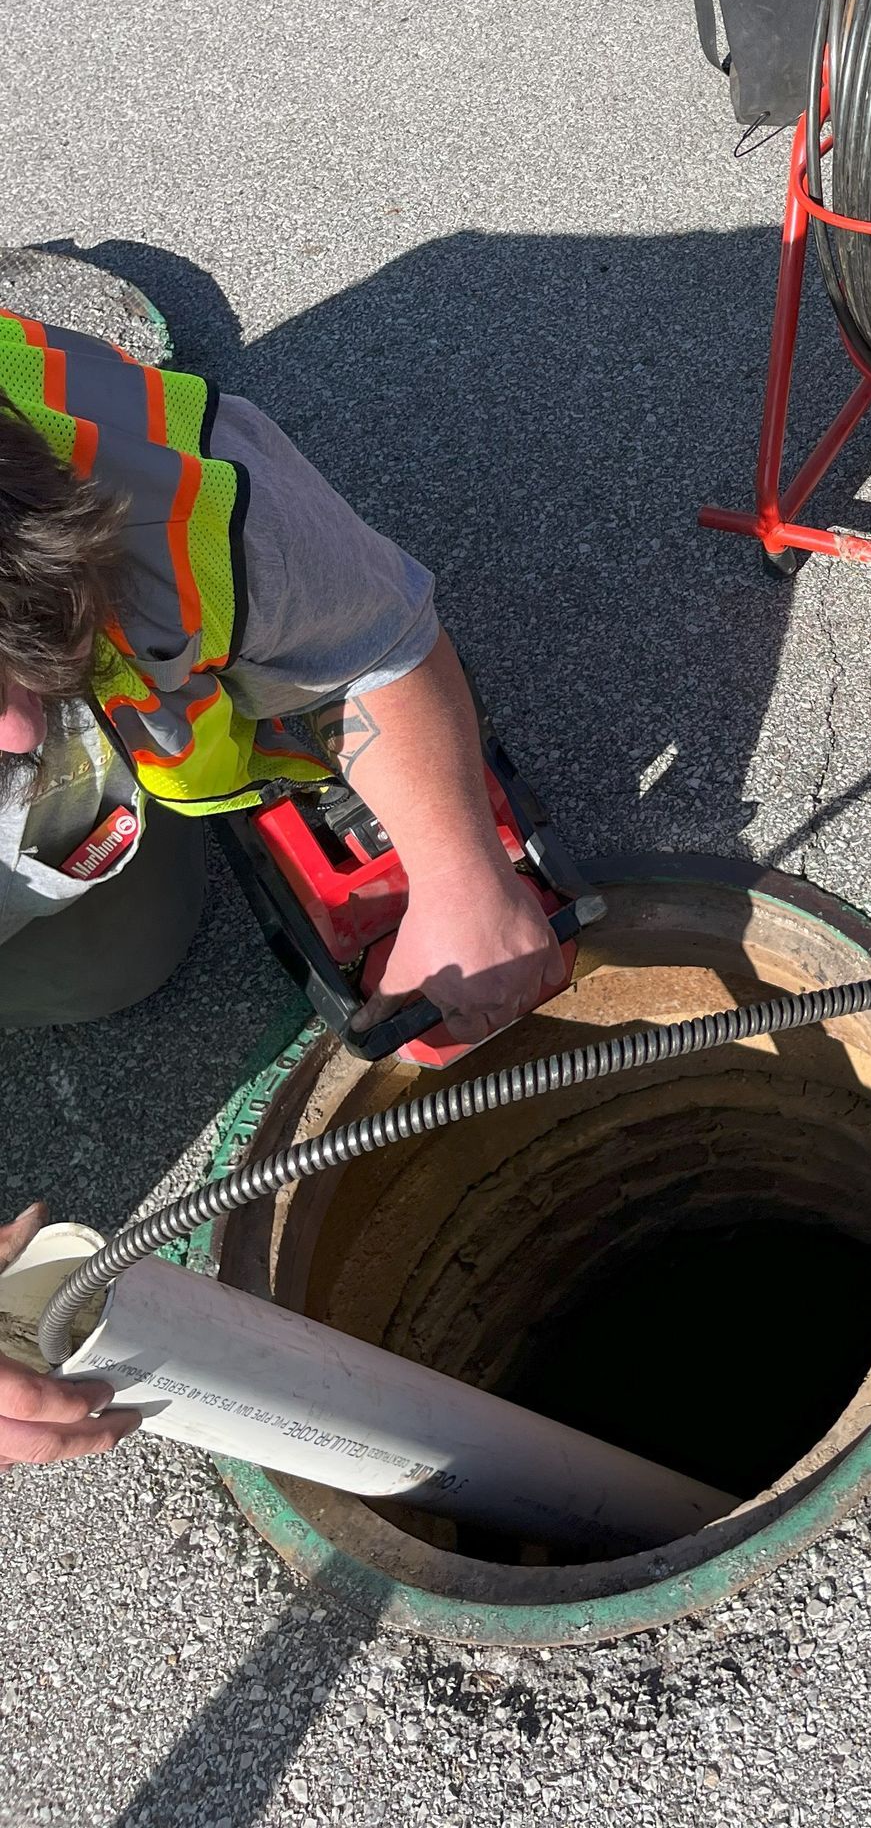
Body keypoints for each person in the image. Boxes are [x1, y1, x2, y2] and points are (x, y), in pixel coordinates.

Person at [0, 305, 563, 1466]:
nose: (12, 721)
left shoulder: (155, 504)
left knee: (118, 957)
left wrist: (464, 877)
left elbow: (378, 637)